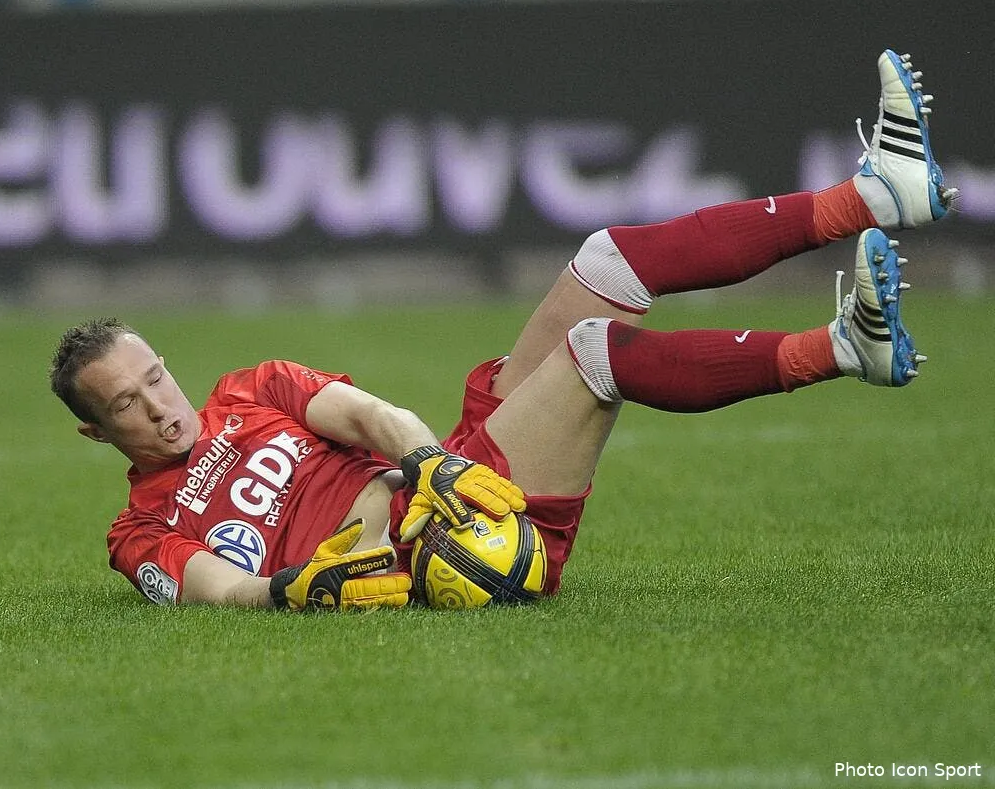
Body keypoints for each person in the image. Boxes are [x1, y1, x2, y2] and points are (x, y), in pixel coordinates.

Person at [50, 50, 958, 611]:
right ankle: (842, 348)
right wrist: (300, 588)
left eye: (155, 377)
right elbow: (217, 588)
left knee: (607, 262)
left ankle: (873, 196)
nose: (160, 408)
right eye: (128, 405)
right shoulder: (138, 531)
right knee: (592, 355)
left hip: (444, 484)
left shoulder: (248, 388)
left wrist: (430, 463)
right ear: (97, 433)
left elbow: (368, 417)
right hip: (451, 553)